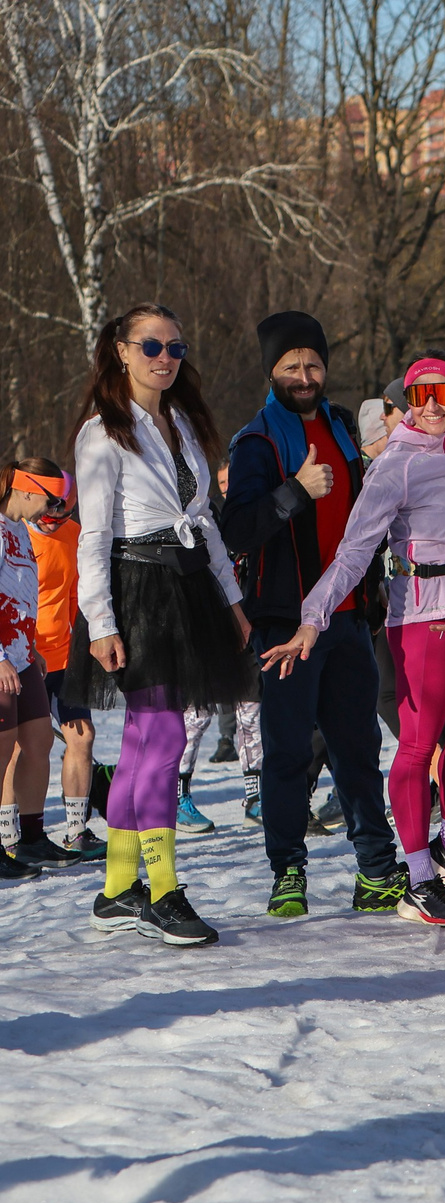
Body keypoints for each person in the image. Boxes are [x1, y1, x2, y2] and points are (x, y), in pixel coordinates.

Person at [268, 357, 445, 927]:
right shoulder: (394, 465)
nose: (430, 406)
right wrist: (313, 618)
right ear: (405, 402)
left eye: (443, 393)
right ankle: (420, 877)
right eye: (418, 396)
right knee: (419, 744)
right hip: (424, 615)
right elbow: (353, 551)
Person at [67, 303, 258, 946]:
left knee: (143, 745)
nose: (165, 358)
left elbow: (202, 520)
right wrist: (101, 622)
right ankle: (163, 889)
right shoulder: (102, 433)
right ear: (121, 351)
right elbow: (93, 536)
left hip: (189, 587)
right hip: (137, 592)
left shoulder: (179, 424)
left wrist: (232, 600)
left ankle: (118, 888)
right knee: (163, 736)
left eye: (175, 347)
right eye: (151, 346)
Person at [224, 311, 402, 919]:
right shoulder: (255, 442)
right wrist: (295, 490)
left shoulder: (341, 425)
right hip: (283, 625)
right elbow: (236, 530)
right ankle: (287, 872)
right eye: (291, 366)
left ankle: (376, 869)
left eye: (313, 364)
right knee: (288, 753)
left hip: (348, 618)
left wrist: (375, 589)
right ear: (271, 372)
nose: (304, 376)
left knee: (358, 749)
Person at [12, 460, 98, 864]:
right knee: (22, 747)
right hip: (23, 656)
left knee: (82, 737)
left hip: (63, 658)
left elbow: (77, 595)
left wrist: (87, 641)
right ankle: (11, 835)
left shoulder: (73, 535)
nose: (52, 522)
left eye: (61, 515)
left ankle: (76, 831)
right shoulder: (14, 533)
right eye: (48, 513)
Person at [0, 472, 49, 880]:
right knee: (0, 753)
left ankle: (32, 837)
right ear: (28, 491)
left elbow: (22, 595)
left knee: (39, 740)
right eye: (50, 500)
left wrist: (30, 645)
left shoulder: (21, 529)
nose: (51, 511)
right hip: (1, 658)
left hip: (23, 653)